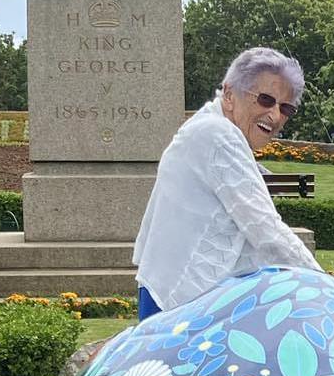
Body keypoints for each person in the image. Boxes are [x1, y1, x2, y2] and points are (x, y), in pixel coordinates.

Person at [133, 46, 318, 318]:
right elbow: (265, 230)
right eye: (266, 100)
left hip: (175, 297)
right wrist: (329, 287)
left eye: (286, 108)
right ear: (230, 94)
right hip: (183, 307)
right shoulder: (218, 135)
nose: (276, 116)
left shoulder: (207, 128)